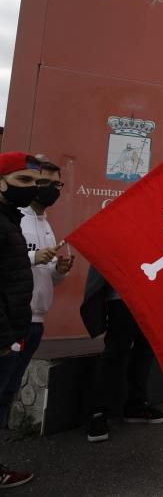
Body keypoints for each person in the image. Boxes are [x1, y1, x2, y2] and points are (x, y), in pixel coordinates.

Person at [0, 157, 73, 428]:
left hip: (34, 321)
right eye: (41, 182)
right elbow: (15, 262)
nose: (50, 189)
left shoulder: (45, 223)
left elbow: (49, 278)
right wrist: (33, 257)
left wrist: (59, 271)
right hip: (11, 323)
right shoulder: (17, 221)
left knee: (8, 391)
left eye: (57, 184)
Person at [82, 266, 163, 443]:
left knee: (145, 350)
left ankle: (136, 405)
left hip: (149, 294)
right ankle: (98, 412)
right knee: (115, 352)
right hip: (122, 296)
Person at [0, 152, 42, 489]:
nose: (32, 188)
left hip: (16, 329)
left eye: (36, 182)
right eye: (23, 180)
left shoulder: (9, 220)